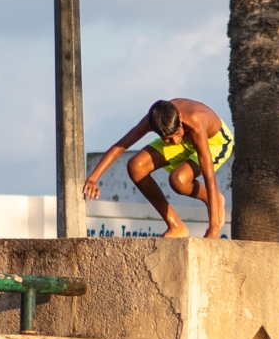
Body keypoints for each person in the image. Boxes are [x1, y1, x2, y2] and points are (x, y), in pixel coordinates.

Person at [84, 97, 230, 239]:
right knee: (136, 166)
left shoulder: (196, 120)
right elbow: (121, 145)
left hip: (215, 142)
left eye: (176, 134)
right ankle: (176, 226)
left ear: (179, 117)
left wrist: (214, 228)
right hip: (186, 141)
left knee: (179, 180)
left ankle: (215, 200)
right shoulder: (153, 120)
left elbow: (209, 175)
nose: (174, 141)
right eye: (167, 138)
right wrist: (92, 179)